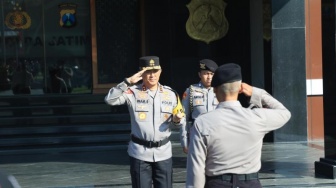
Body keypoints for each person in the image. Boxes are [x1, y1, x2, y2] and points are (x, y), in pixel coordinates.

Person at [186, 63, 291, 188]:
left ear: (214, 90)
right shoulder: (257, 118)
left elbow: (196, 168)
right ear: (240, 88)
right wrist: (256, 92)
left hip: (216, 183)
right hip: (250, 183)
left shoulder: (203, 122)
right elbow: (285, 113)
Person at [105, 56, 185, 188]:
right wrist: (127, 82)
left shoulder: (171, 94)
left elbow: (179, 121)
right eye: (148, 72)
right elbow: (109, 100)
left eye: (155, 71)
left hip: (163, 153)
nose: (152, 75)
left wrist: (176, 120)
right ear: (141, 73)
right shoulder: (132, 92)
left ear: (160, 71)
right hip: (139, 153)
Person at [180, 59, 218, 154]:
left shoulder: (221, 91)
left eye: (211, 74)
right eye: (206, 74)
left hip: (217, 137)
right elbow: (183, 118)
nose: (209, 77)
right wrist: (184, 142)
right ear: (200, 75)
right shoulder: (190, 91)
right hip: (198, 136)